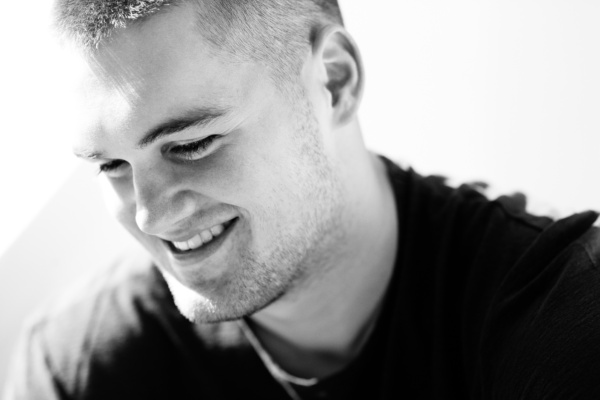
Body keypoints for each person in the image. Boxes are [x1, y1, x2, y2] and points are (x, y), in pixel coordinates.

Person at [5, 1, 600, 399]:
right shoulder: (81, 366)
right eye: (111, 166)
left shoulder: (559, 319)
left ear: (334, 81)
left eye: (192, 143)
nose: (150, 214)